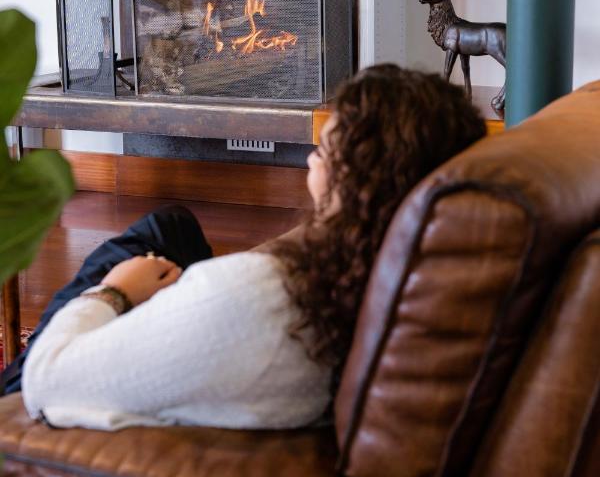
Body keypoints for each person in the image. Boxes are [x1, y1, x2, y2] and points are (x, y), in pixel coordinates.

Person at [1, 65, 486, 431]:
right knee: (170, 227)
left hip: (40, 388)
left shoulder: (250, 298)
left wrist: (116, 293)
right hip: (219, 339)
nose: (324, 132)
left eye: (340, 131)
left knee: (127, 259)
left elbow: (47, 380)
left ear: (364, 170)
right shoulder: (380, 264)